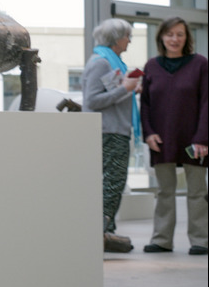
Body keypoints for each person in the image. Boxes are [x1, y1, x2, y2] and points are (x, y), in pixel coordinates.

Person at [140, 17, 208, 255]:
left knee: (198, 191)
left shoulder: (200, 64)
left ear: (187, 38)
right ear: (161, 37)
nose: (174, 39)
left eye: (180, 34)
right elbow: (145, 104)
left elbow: (207, 102)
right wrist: (148, 133)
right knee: (164, 191)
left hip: (194, 141)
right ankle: (161, 239)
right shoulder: (152, 66)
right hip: (161, 139)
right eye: (170, 34)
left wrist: (202, 138)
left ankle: (201, 240)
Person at [82, 18, 142, 254]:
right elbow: (93, 101)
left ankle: (107, 231)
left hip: (113, 130)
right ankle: (99, 233)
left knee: (112, 184)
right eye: (128, 36)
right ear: (117, 39)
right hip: (109, 132)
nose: (129, 41)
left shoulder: (108, 61)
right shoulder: (101, 63)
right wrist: (125, 89)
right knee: (112, 184)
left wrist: (129, 89)